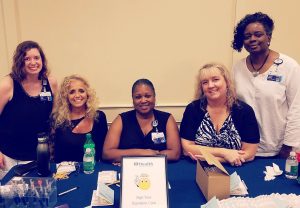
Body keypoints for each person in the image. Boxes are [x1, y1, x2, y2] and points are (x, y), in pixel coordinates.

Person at [232, 12, 300, 158]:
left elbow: (297, 109)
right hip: (244, 148)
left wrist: (288, 146)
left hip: (279, 149)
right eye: (247, 36)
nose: (252, 39)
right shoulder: (237, 68)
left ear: (268, 37)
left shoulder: (289, 67)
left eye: (258, 34)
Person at [180, 63, 259, 166]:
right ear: (201, 87)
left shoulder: (244, 111)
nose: (210, 85)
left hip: (236, 167)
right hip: (197, 167)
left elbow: (250, 153)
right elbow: (187, 148)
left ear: (227, 82)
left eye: (215, 79)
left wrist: (214, 159)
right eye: (205, 82)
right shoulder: (193, 109)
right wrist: (224, 153)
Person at [0, 40, 58, 170]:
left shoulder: (51, 82)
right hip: (10, 157)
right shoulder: (7, 84)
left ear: (42, 60)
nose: (33, 63)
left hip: (40, 156)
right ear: (20, 62)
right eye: (27, 59)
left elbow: (54, 118)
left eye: (36, 58)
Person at [102, 78, 181, 162]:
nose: (143, 100)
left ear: (154, 97)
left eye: (147, 96)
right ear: (133, 99)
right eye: (138, 97)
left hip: (160, 169)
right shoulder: (121, 120)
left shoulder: (167, 119)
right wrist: (143, 153)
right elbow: (107, 153)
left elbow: (175, 154)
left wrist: (153, 155)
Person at [51, 75, 108, 162]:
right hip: (64, 173)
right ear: (66, 96)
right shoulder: (57, 119)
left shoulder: (99, 117)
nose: (77, 95)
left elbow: (104, 153)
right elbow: (54, 154)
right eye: (72, 92)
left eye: (81, 91)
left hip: (91, 170)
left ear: (87, 94)